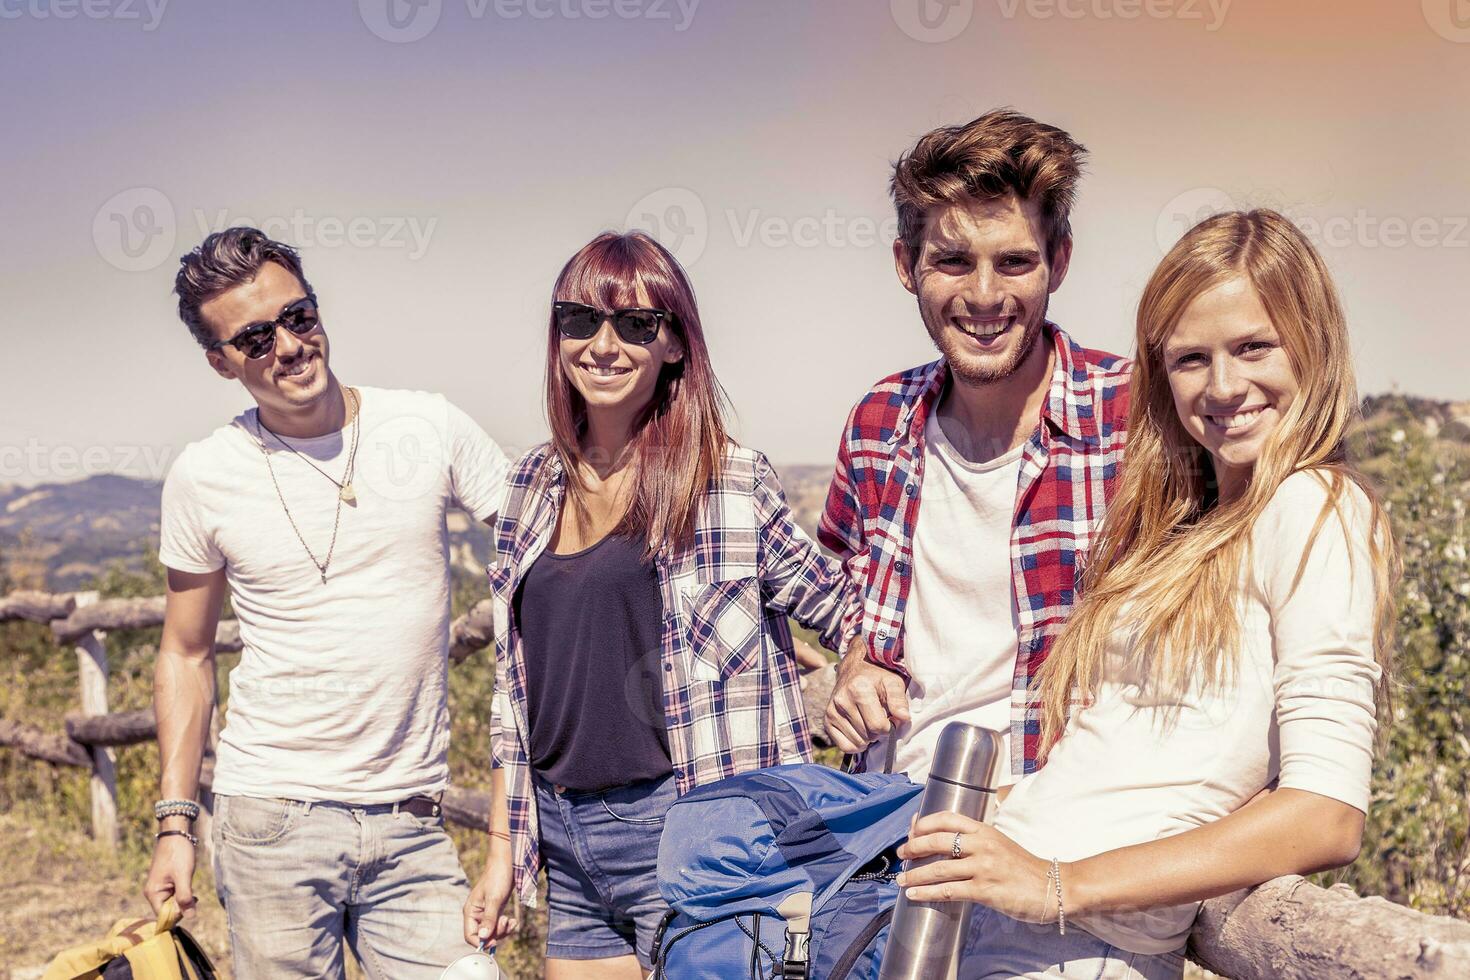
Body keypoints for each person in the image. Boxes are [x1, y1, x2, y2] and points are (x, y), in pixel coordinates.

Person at [896, 209, 1399, 979]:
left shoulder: (1313, 508)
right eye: (1191, 358)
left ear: (1314, 344)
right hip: (1005, 930)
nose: (1225, 385)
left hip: (1081, 945)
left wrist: (1058, 884)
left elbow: (1327, 815)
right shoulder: (1198, 526)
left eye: (1254, 347)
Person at [462, 231, 857, 978]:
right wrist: (500, 851)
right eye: (581, 320)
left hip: (688, 822)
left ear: (674, 344)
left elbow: (845, 611)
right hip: (565, 833)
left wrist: (855, 677)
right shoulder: (528, 485)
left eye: (635, 324)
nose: (603, 344)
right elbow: (514, 696)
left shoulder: (728, 480)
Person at [142, 227, 510, 979]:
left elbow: (562, 550)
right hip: (268, 819)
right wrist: (174, 824)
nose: (287, 345)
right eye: (253, 338)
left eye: (298, 317)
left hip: (411, 820)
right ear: (220, 362)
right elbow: (184, 652)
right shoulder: (204, 475)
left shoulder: (428, 425)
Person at [819, 109, 1130, 785]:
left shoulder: (1132, 419)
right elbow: (850, 586)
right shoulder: (878, 422)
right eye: (953, 262)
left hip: (1052, 837)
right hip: (887, 819)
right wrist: (856, 659)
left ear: (1060, 262)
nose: (983, 296)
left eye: (1014, 262)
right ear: (908, 265)